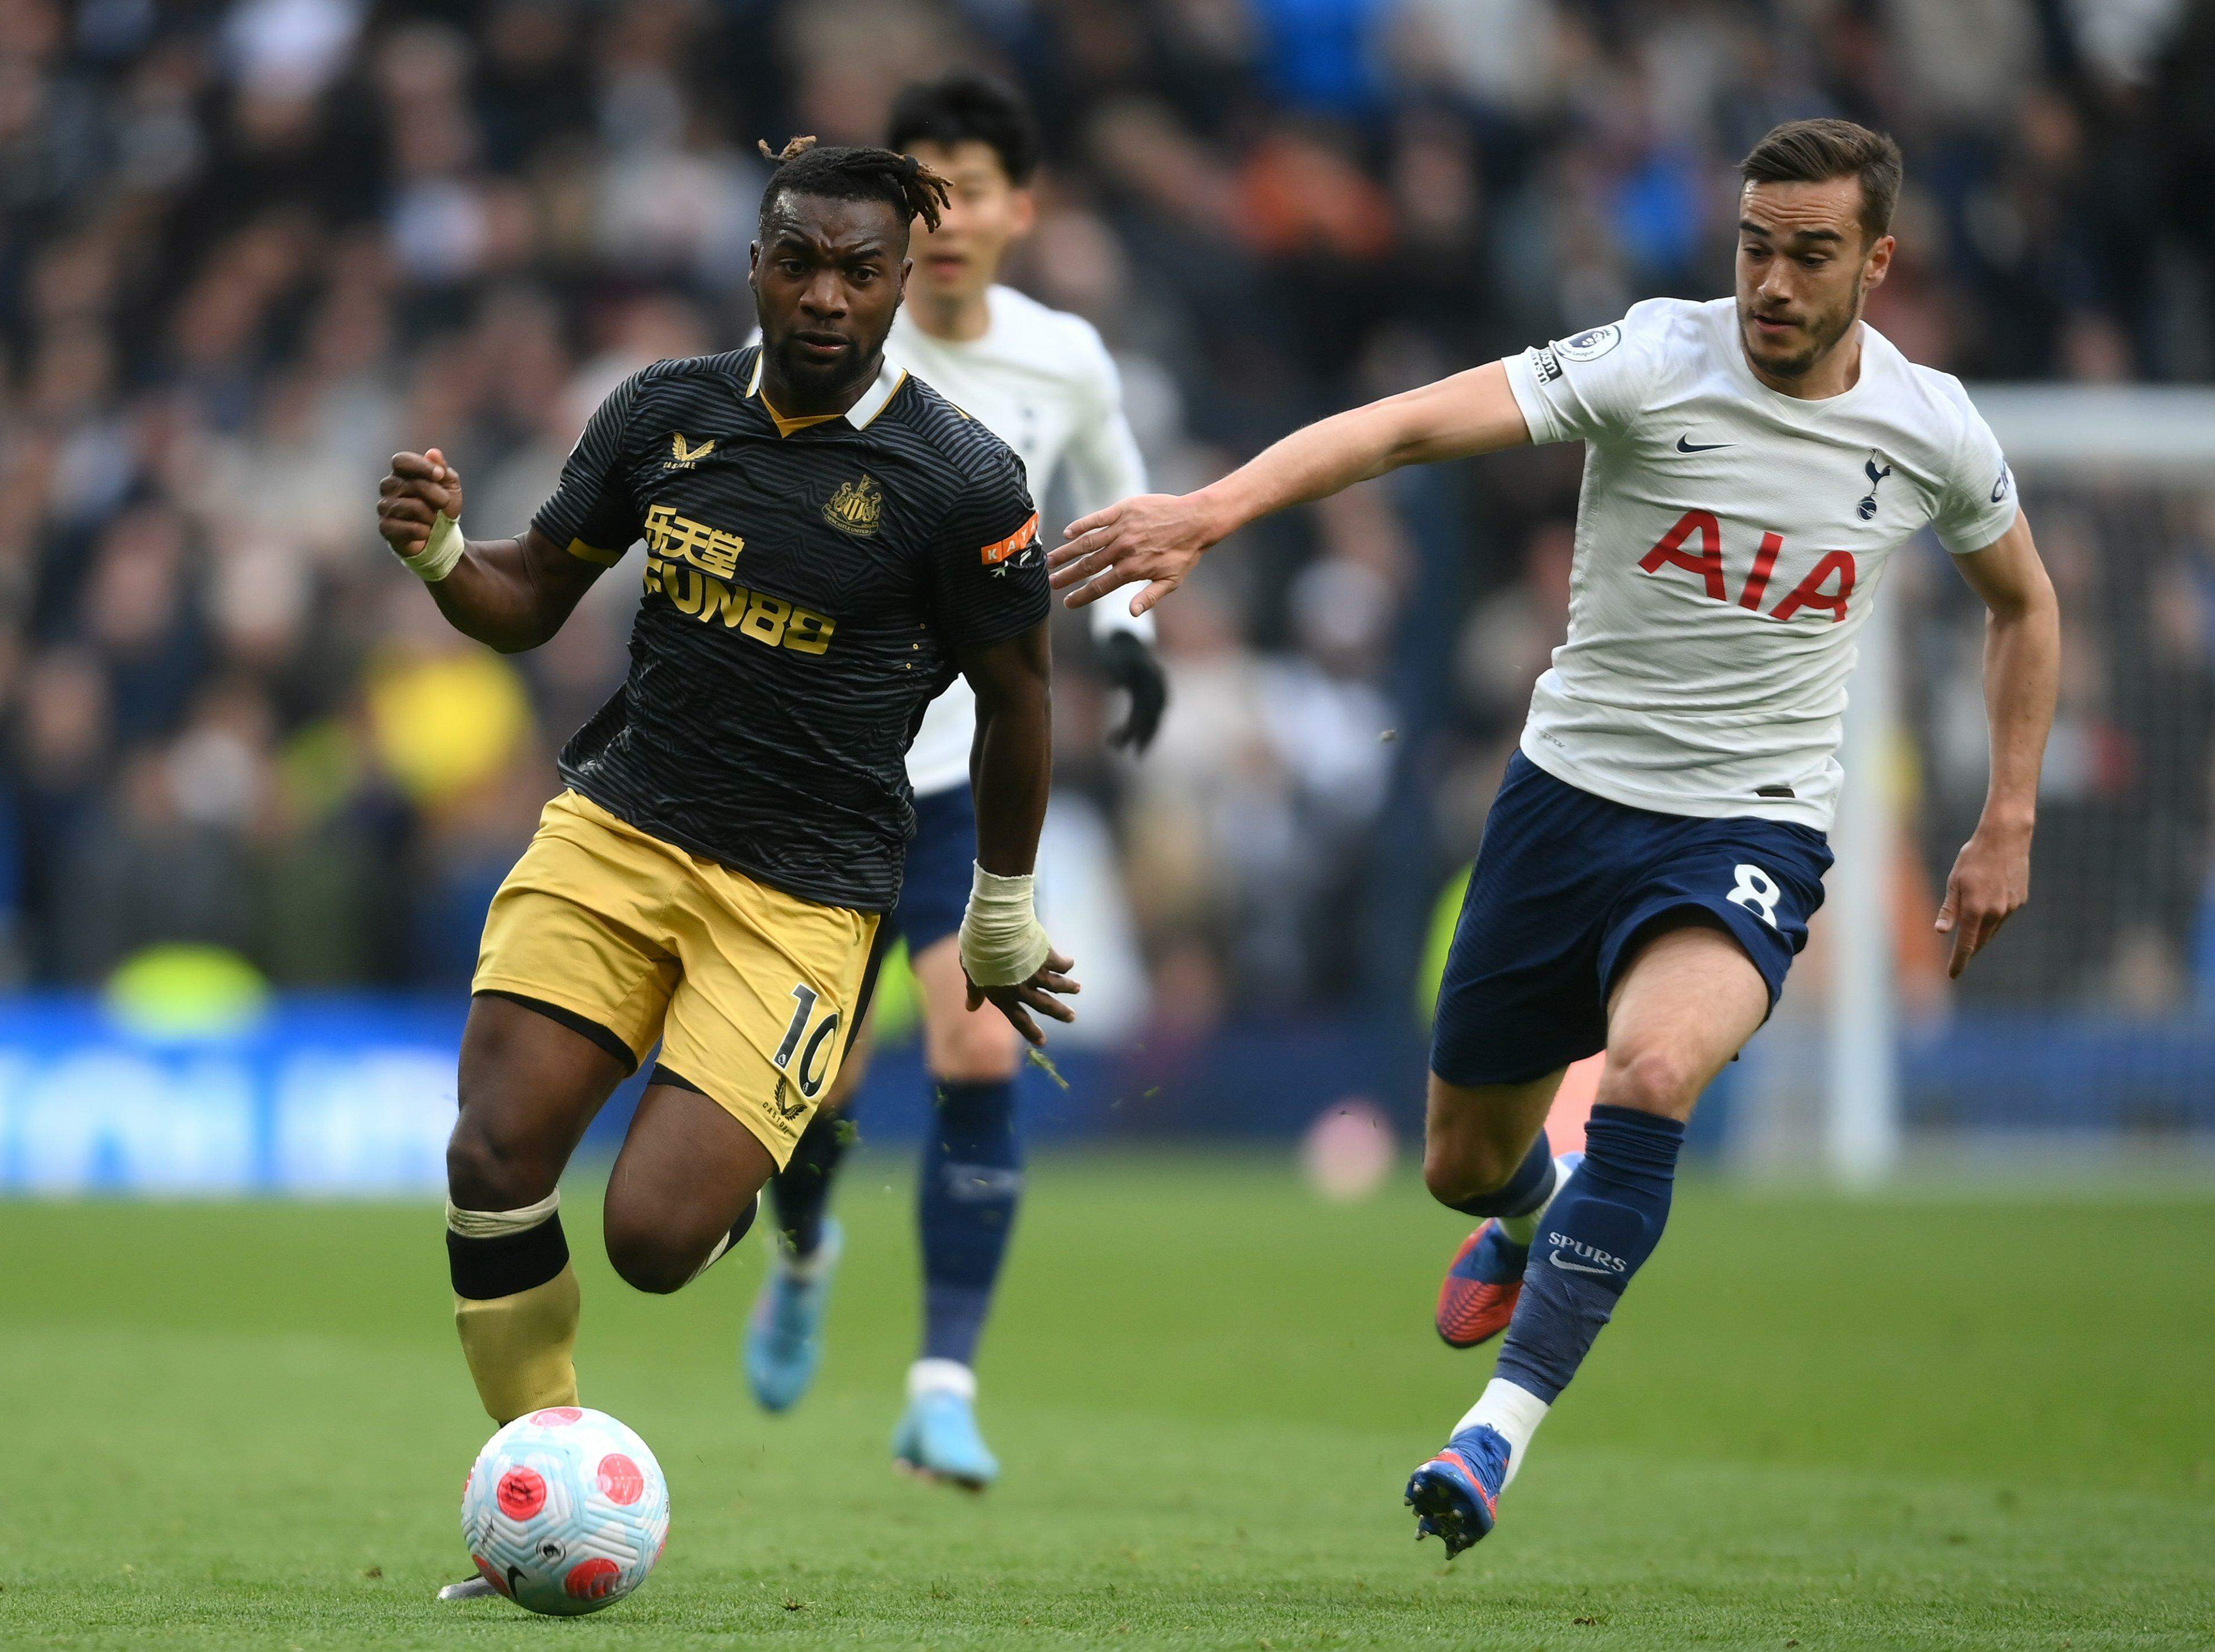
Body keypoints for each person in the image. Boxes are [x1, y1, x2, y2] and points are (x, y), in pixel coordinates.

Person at [1048, 118, 2059, 1556]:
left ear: (1876, 263)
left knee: (1649, 1070)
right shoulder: (1653, 358)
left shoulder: (1931, 430)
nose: (1771, 281)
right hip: (1563, 801)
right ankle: (1527, 1223)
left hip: (1746, 823)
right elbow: (1402, 426)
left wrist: (2002, 815)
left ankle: (1492, 1434)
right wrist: (1210, 512)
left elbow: (2024, 604)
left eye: (1810, 254)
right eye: (1753, 246)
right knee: (1461, 1162)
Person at [375, 138, 1077, 1600]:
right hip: (620, 833)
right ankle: (546, 1485)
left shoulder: (958, 478)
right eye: (798, 263)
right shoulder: (661, 413)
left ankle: (762, 1154)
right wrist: (448, 556)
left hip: (805, 894)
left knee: (649, 1238)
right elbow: (534, 589)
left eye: (859, 271)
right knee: (491, 1156)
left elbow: (1020, 701)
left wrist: (998, 911)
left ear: (899, 283)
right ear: (753, 264)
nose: (826, 296)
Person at [739, 75, 1167, 1491]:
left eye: (973, 186)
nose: (950, 216)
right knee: (807, 1099)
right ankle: (804, 1255)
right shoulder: (828, 348)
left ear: (1017, 208)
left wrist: (1128, 636)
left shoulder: (1067, 363)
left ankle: (941, 1383)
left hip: (962, 781)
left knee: (979, 1045)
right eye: (923, 190)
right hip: (813, 774)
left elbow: (1117, 501)